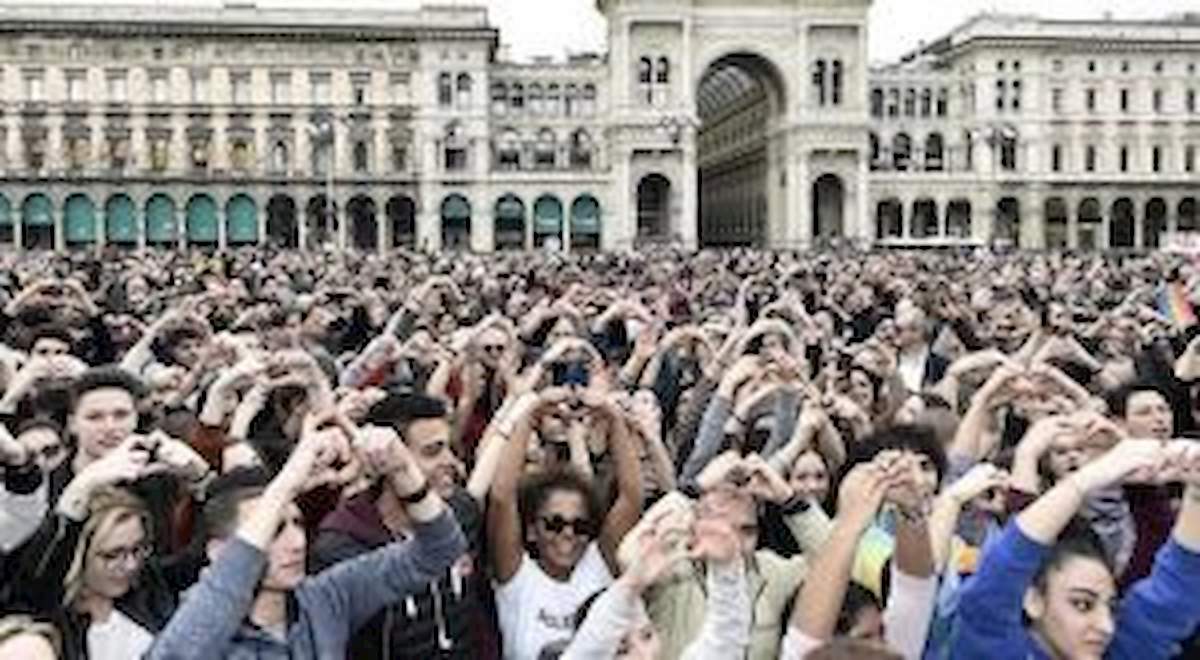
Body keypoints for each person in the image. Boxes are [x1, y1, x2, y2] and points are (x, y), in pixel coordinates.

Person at [147, 409, 467, 658]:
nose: (297, 543)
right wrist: (285, 485)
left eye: (298, 524)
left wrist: (403, 470)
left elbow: (440, 549)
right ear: (219, 551)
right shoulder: (196, 627)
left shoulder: (326, 599)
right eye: (274, 531)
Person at [953, 439, 1200, 658]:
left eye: (1111, 608)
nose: (1105, 626)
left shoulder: (1117, 652)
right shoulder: (995, 648)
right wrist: (1091, 477)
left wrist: (1196, 488)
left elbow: (1173, 593)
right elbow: (995, 583)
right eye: (1082, 604)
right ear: (1033, 600)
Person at [311, 392, 505, 659]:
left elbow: (480, 606)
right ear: (386, 458)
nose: (450, 462)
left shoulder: (462, 512)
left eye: (450, 448)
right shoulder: (342, 546)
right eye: (432, 451)